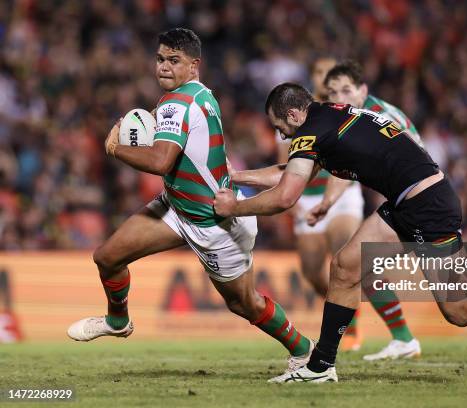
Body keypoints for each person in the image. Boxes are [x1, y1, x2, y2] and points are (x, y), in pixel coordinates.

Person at [213, 83, 467, 383]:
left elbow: (285, 196)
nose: (282, 136)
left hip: (426, 207)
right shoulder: (326, 119)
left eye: (282, 128)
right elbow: (290, 172)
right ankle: (321, 365)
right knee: (346, 267)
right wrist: (236, 176)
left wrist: (236, 206)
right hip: (410, 200)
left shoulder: (313, 131)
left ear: (295, 113)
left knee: (460, 310)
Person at [67, 29, 313, 372]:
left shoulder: (177, 104)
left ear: (193, 66)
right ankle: (118, 320)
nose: (164, 67)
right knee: (107, 257)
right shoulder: (199, 94)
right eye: (160, 59)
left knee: (245, 305)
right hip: (177, 206)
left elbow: (160, 162)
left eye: (174, 60)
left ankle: (304, 350)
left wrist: (114, 148)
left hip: (214, 222)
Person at [316, 60, 423, 359]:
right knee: (359, 265)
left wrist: (327, 203)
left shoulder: (375, 118)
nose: (339, 98)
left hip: (420, 201)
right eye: (332, 92)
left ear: (362, 91)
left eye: (346, 90)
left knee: (460, 305)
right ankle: (402, 338)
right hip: (408, 199)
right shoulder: (364, 114)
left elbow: (407, 160)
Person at [273, 57, 366, 352]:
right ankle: (345, 314)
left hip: (341, 190)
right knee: (313, 270)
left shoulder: (340, 110)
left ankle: (350, 326)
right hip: (306, 193)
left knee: (344, 255)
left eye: (328, 71)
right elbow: (284, 158)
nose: (324, 76)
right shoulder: (298, 113)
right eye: (318, 71)